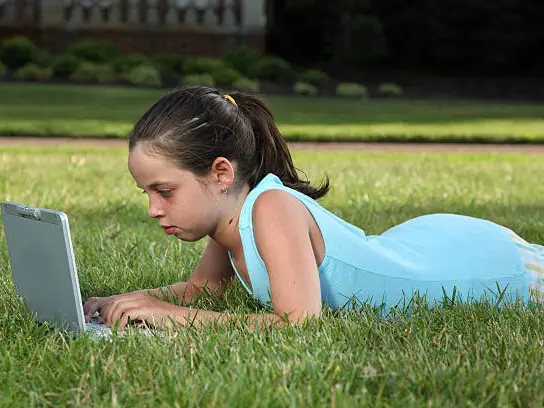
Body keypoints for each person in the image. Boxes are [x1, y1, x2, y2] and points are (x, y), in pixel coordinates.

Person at [83, 86, 543, 330]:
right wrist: (125, 304)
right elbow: (203, 293)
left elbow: (297, 324)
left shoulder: (271, 209)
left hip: (468, 268)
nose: (152, 209)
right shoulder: (224, 225)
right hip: (417, 242)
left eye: (165, 191)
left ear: (220, 174)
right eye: (145, 193)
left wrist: (172, 319)